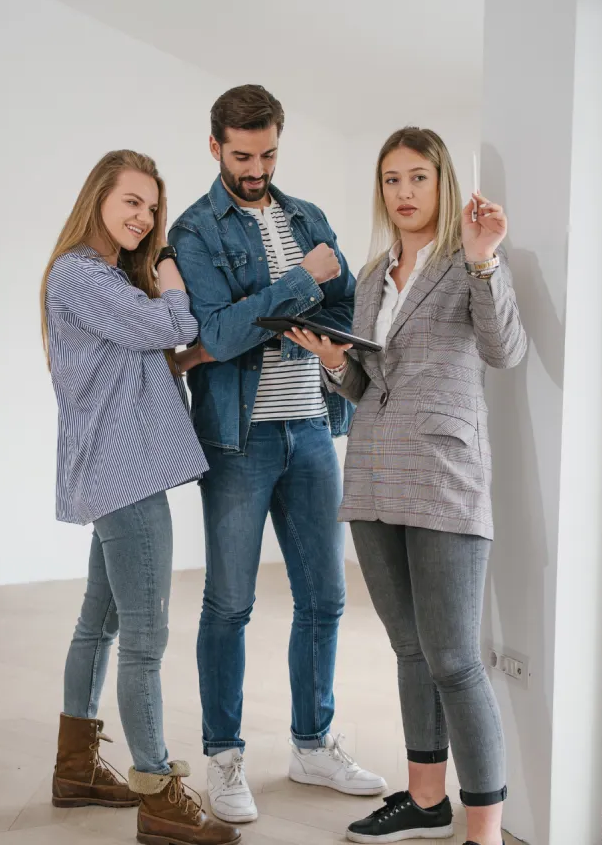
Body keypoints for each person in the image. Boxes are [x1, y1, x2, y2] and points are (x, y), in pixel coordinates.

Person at [286, 127, 526, 845]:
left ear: (442, 182)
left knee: (454, 658)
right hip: (373, 475)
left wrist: (483, 260)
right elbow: (369, 385)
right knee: (410, 650)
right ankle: (425, 801)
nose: (404, 192)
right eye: (392, 180)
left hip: (444, 476)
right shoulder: (371, 276)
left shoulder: (469, 262)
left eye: (417, 177)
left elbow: (504, 350)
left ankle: (485, 831)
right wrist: (334, 363)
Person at [170, 85, 386, 825]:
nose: (256, 169)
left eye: (266, 154)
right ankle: (224, 757)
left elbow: (346, 308)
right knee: (230, 602)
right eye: (242, 155)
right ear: (215, 147)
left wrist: (284, 316)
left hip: (313, 429)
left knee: (325, 599)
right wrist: (299, 283)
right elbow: (218, 336)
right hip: (240, 438)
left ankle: (313, 744)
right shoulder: (195, 230)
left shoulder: (308, 218)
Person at [42, 149, 238, 845]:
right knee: (145, 642)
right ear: (98, 196)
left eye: (152, 208)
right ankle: (159, 796)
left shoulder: (104, 278)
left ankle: (76, 770)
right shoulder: (79, 272)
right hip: (125, 476)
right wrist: (173, 280)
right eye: (132, 201)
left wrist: (179, 345)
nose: (144, 218)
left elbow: (140, 354)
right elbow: (168, 326)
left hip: (115, 472)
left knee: (99, 624)